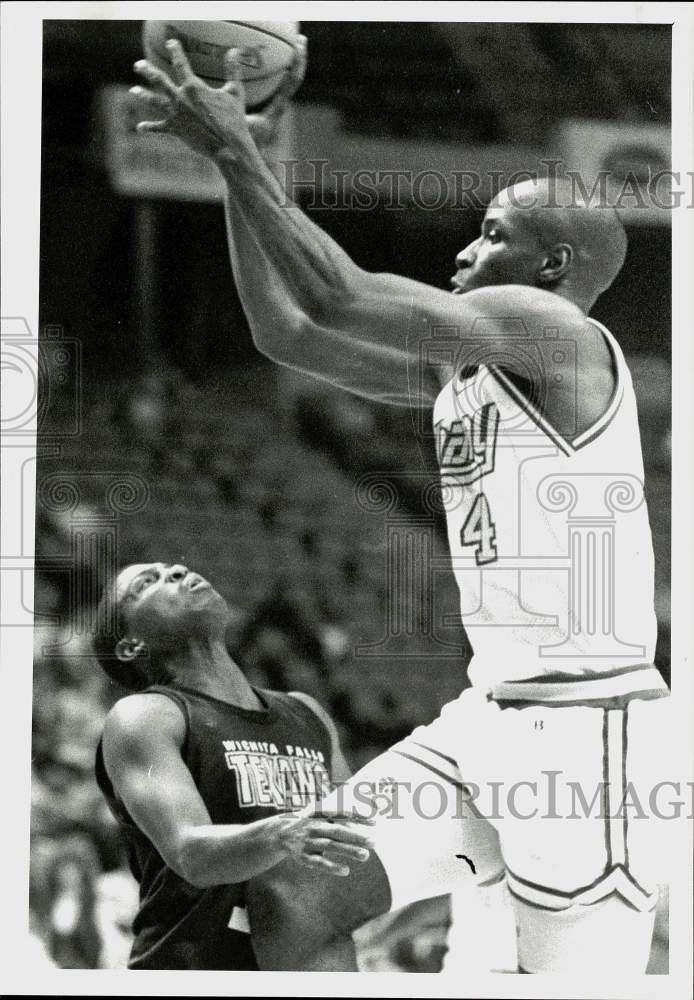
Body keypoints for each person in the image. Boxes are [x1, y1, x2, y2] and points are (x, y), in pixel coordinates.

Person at [130, 40, 673, 974]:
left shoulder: (559, 334)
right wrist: (237, 171)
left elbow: (341, 294)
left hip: (590, 739)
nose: (466, 249)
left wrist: (235, 150)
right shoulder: (464, 376)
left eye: (494, 234)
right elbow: (290, 332)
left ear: (554, 266)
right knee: (293, 885)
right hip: (487, 716)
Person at [93, 561, 374, 970]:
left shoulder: (306, 711)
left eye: (171, 568)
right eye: (146, 583)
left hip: (307, 970)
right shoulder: (146, 716)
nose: (175, 571)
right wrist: (282, 833)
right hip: (193, 971)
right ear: (130, 645)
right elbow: (190, 853)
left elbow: (357, 844)